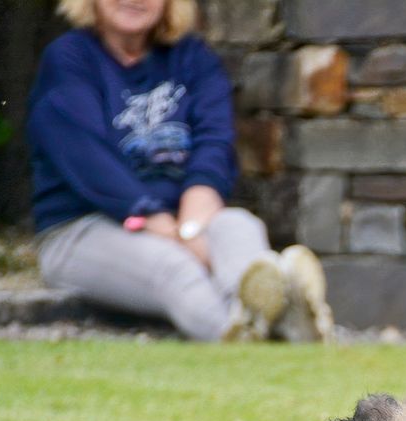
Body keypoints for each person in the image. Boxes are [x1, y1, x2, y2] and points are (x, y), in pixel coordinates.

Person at [27, 0, 330, 342]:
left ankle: (270, 322)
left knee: (239, 227)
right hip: (83, 228)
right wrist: (176, 235)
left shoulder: (193, 58)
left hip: (183, 221)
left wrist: (190, 228)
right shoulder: (68, 59)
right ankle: (253, 334)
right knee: (175, 268)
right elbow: (85, 159)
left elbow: (213, 146)